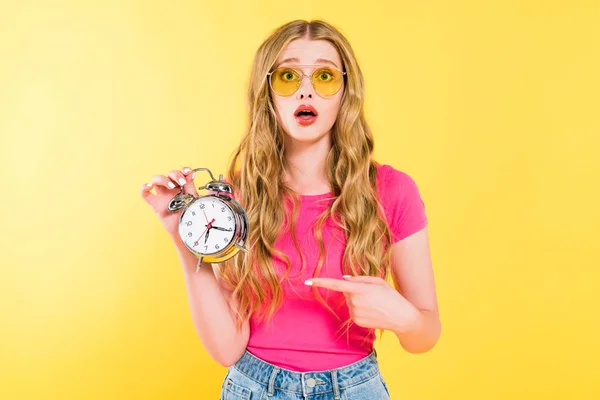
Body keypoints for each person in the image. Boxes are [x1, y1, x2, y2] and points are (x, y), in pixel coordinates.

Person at [141, 19, 441, 400]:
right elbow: (226, 349)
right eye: (287, 76)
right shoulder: (236, 198)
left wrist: (403, 317)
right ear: (268, 92)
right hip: (253, 388)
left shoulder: (392, 191)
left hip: (355, 389)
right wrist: (186, 239)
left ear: (345, 91)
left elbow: (425, 336)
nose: (306, 91)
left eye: (325, 76)